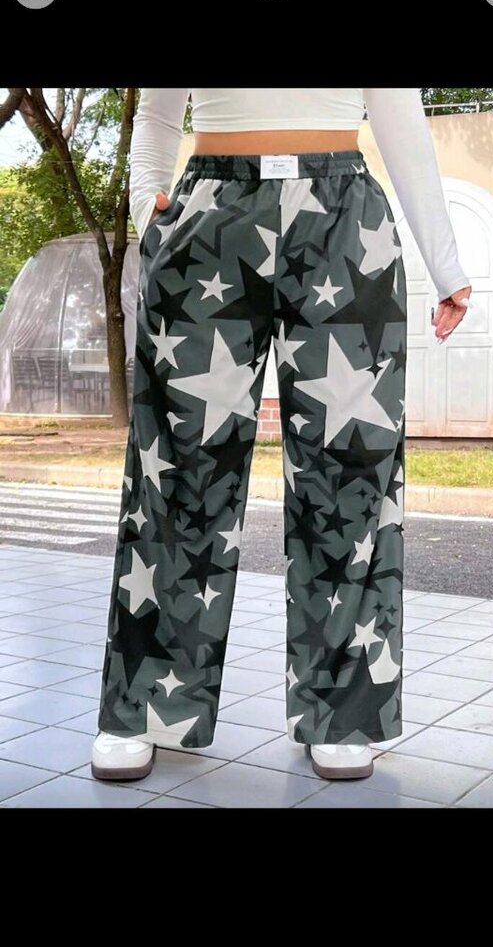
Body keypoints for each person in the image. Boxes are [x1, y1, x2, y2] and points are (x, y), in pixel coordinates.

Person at [91, 88, 472, 785]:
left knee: (352, 472)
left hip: (344, 218)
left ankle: (343, 714)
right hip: (208, 212)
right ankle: (143, 708)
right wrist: (150, 205)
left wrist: (445, 262)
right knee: (175, 466)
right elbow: (157, 112)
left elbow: (401, 120)